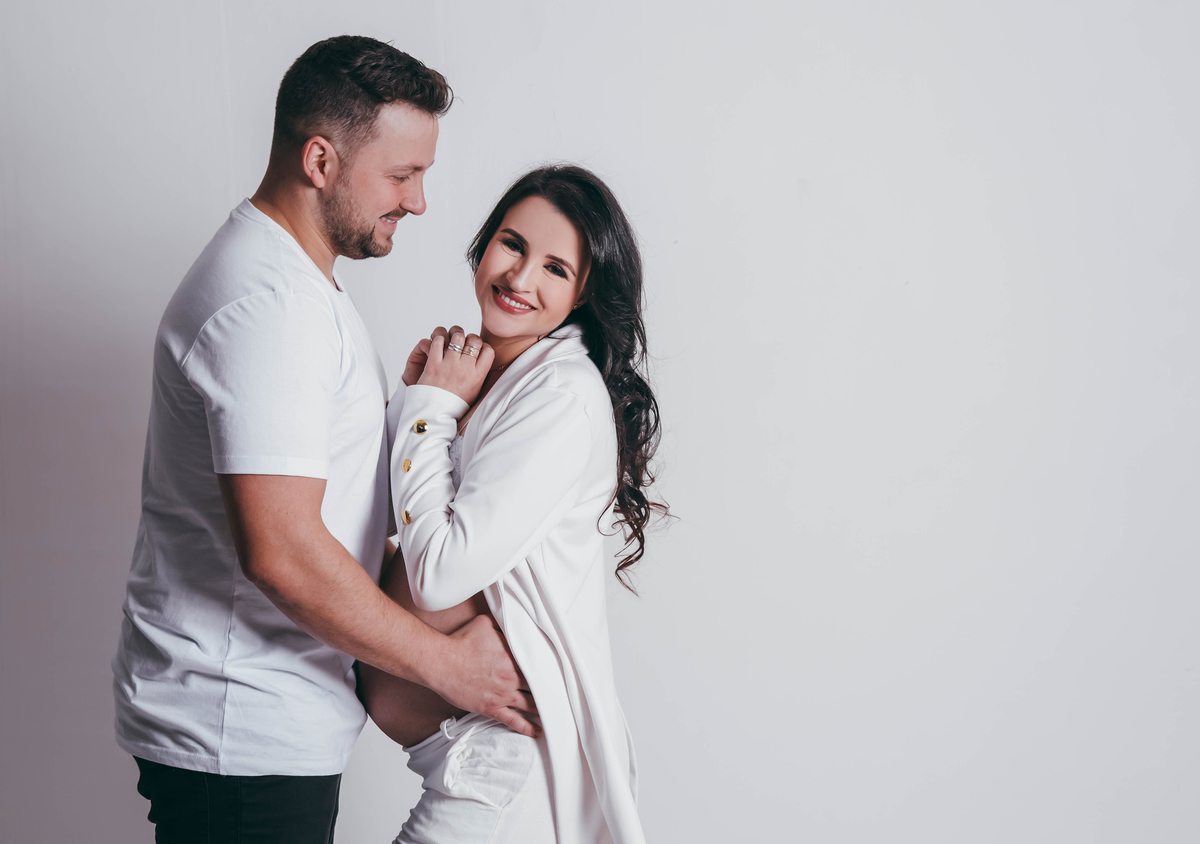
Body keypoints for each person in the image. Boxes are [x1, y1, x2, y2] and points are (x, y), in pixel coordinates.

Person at [111, 36, 537, 843]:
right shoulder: (270, 306)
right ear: (320, 160)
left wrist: (425, 412)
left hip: (256, 728)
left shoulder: (294, 284)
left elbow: (331, 506)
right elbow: (283, 552)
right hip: (238, 736)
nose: (418, 202)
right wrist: (449, 667)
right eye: (402, 175)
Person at [360, 165, 666, 844]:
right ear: (484, 243)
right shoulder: (493, 375)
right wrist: (418, 405)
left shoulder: (559, 395)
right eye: (512, 244)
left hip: (498, 769)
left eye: (556, 268)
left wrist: (430, 411)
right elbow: (372, 523)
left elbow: (438, 573)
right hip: (463, 760)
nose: (521, 277)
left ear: (584, 294)